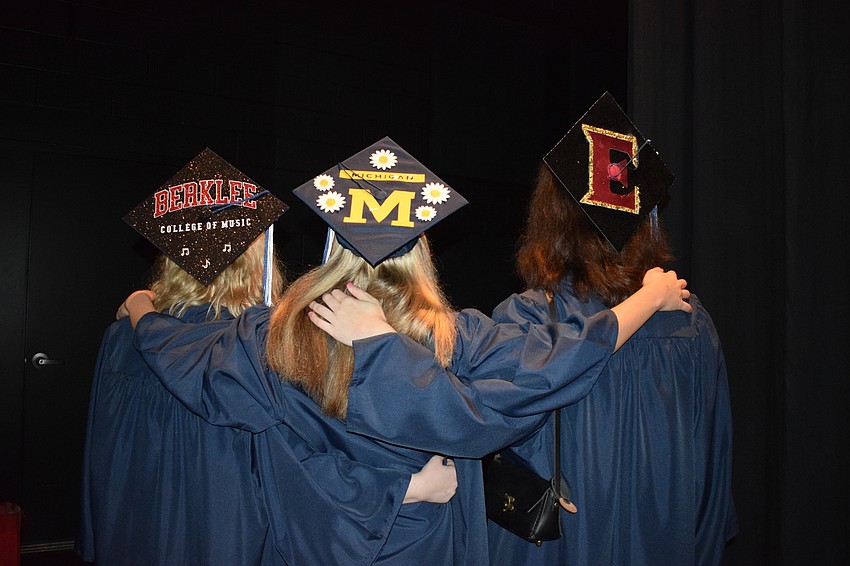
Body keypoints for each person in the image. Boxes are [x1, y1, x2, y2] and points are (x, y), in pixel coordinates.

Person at [121, 138, 692, 565]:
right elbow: (546, 369)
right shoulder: (455, 336)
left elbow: (192, 366)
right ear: (422, 251)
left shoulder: (273, 334)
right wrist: (646, 299)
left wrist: (144, 309)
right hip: (430, 542)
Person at [78, 148, 456, 566]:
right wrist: (409, 487)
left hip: (134, 533)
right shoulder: (255, 348)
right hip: (226, 535)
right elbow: (297, 468)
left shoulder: (120, 336)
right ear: (258, 260)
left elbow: (103, 456)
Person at [484, 94, 738, 565]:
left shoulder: (531, 319)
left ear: (551, 222)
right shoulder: (690, 319)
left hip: (567, 542)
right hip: (664, 539)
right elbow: (712, 465)